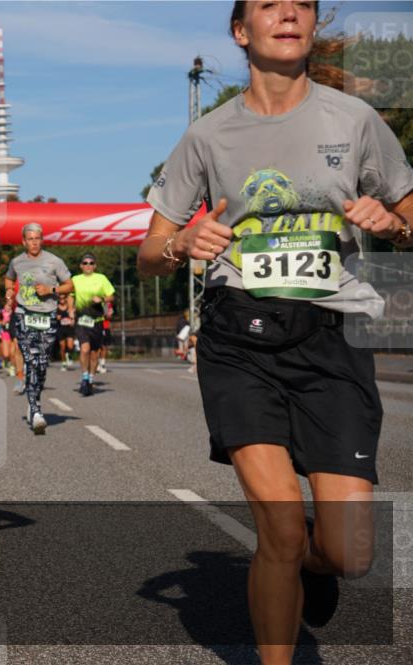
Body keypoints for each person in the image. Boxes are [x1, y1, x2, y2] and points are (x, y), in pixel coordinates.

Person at [138, 2, 413, 662]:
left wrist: (393, 224)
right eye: (268, 4)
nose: (287, 12)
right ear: (242, 31)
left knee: (349, 550)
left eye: (301, 5)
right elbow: (151, 252)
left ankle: (315, 566)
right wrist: (183, 243)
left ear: (312, 26)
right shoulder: (207, 136)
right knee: (281, 530)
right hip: (239, 333)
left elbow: (408, 212)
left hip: (333, 333)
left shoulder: (355, 121)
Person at [4, 223, 73, 434]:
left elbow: (70, 285)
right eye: (30, 239)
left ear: (42, 240)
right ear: (24, 241)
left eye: (38, 238)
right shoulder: (17, 262)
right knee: (31, 361)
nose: (34, 242)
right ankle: (36, 411)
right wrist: (9, 294)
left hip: (48, 315)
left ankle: (33, 397)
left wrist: (51, 289)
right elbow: (8, 278)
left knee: (42, 364)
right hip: (25, 314)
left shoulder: (54, 261)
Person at [70, 253, 115, 396]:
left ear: (95, 265)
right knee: (84, 349)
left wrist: (101, 298)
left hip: (97, 321)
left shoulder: (101, 278)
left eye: (90, 263)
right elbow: (71, 296)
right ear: (81, 266)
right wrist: (71, 310)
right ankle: (84, 378)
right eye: (85, 263)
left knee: (95, 354)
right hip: (82, 320)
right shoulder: (75, 279)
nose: (88, 265)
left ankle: (90, 378)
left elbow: (111, 296)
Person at [54, 293, 75, 370]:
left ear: (66, 298)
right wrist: (57, 317)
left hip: (69, 329)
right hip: (60, 329)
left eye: (63, 298)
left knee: (70, 346)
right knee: (62, 347)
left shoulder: (70, 307)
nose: (62, 300)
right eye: (60, 298)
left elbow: (74, 317)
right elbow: (53, 317)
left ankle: (68, 355)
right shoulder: (56, 308)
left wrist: (72, 319)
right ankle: (63, 363)